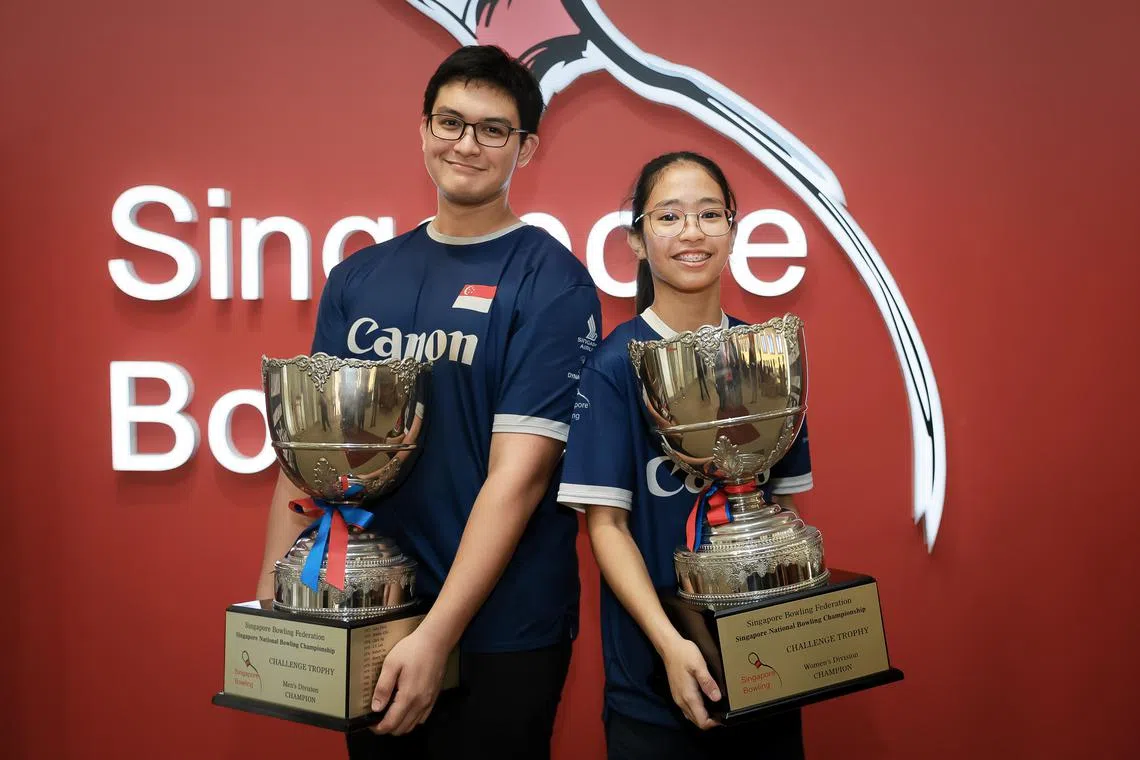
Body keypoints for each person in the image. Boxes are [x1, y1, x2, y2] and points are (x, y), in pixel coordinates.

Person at [254, 45, 601, 759]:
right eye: (450, 121)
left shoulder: (552, 281)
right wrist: (274, 599)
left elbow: (521, 477)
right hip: (373, 610)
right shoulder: (358, 278)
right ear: (422, 130)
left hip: (501, 631)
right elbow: (310, 454)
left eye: (492, 129)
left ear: (525, 148)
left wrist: (438, 632)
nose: (466, 143)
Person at [557, 151, 812, 759]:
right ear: (638, 241)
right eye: (669, 216)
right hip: (654, 683)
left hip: (765, 670)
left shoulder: (766, 355)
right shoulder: (616, 364)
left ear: (732, 229)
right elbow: (607, 527)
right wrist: (672, 646)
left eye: (709, 215)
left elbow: (781, 515)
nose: (692, 232)